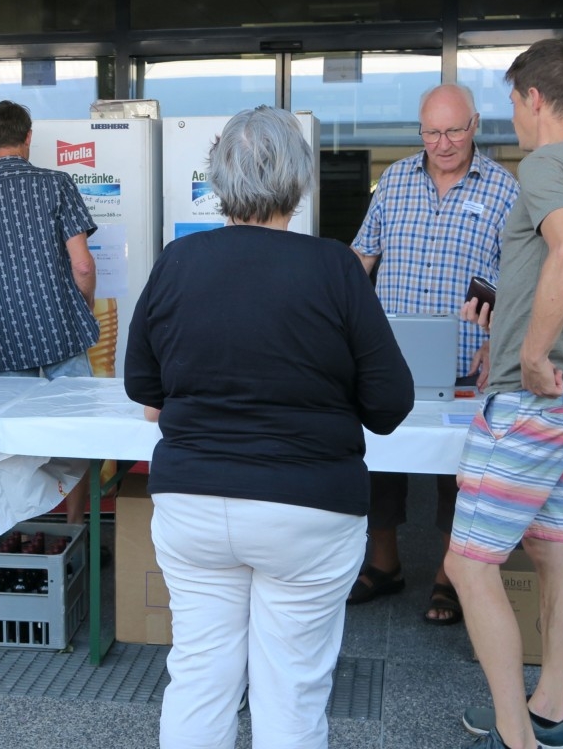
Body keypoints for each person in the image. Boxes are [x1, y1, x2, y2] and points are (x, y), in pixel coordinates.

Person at [124, 106, 414, 749]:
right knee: (292, 690)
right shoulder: (334, 268)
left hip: (193, 500)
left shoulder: (178, 261)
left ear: (218, 179)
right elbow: (390, 405)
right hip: (308, 507)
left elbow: (143, 385)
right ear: (299, 180)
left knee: (199, 677)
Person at [446, 39, 563, 749]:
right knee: (556, 551)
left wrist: (529, 352)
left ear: (533, 98)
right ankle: (551, 710)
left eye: (511, 104)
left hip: (532, 400)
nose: (513, 120)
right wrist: (520, 313)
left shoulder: (545, 166)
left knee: (468, 565)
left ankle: (514, 736)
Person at [348, 83, 519, 625]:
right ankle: (384, 564)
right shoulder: (395, 180)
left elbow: (521, 279)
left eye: (454, 131)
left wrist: (498, 340)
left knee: (457, 470)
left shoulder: (505, 189)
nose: (442, 144)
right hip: (389, 354)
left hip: (465, 358)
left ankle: (449, 576)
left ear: (475, 126)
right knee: (380, 458)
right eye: (431, 132)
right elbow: (362, 256)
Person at [0, 100, 100, 523]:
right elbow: (83, 265)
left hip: (9, 334)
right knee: (78, 430)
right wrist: (84, 306)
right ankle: (75, 526)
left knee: (12, 439)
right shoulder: (57, 184)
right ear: (28, 137)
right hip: (62, 328)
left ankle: (20, 531)